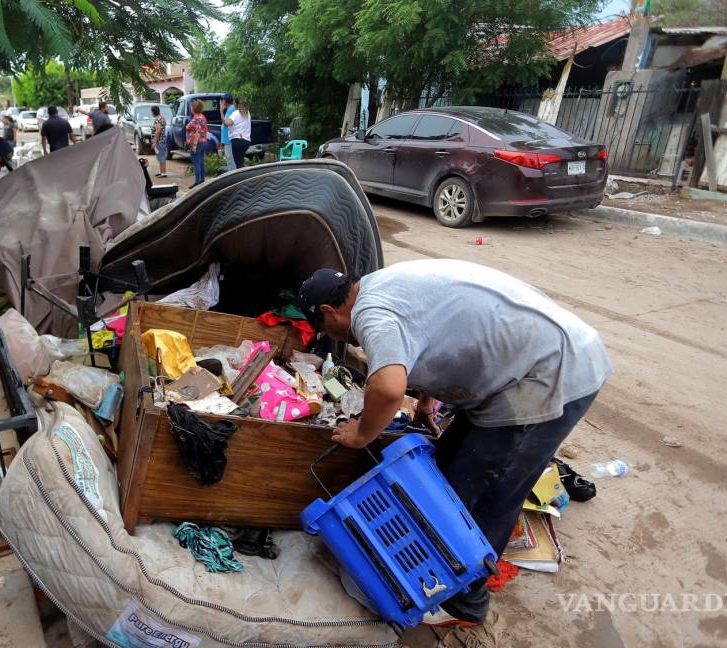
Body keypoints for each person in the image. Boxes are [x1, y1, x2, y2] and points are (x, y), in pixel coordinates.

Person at [297, 259, 612, 633]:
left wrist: (361, 434)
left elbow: (387, 388)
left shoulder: (371, 313)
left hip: (551, 371)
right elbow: (436, 334)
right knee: (445, 474)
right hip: (527, 363)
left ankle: (465, 602)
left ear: (330, 311)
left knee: (485, 494)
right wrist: (428, 399)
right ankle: (433, 566)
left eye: (323, 326)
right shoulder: (379, 285)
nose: (333, 334)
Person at [185, 99, 210, 186]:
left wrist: (194, 146)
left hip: (197, 143)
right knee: (201, 161)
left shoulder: (196, 119)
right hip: (204, 142)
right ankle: (202, 180)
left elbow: (197, 133)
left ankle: (197, 182)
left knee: (196, 162)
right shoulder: (202, 117)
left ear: (193, 108)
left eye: (192, 106)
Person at [223, 97, 251, 170]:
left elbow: (226, 123)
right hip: (246, 141)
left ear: (236, 104)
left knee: (238, 165)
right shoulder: (247, 113)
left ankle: (241, 180)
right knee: (240, 163)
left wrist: (221, 111)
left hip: (237, 141)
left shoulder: (235, 113)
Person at [150, 105, 169, 177]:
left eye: (151, 112)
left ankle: (163, 173)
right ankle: (161, 172)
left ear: (153, 112)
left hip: (159, 141)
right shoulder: (161, 118)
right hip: (161, 141)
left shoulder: (158, 120)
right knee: (160, 156)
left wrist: (154, 142)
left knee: (161, 157)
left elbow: (158, 132)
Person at [220, 93, 237, 171]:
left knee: (230, 160)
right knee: (229, 159)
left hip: (229, 140)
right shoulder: (230, 109)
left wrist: (221, 111)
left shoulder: (231, 109)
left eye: (223, 100)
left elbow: (226, 123)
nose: (222, 102)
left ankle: (233, 178)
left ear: (225, 101)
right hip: (227, 139)